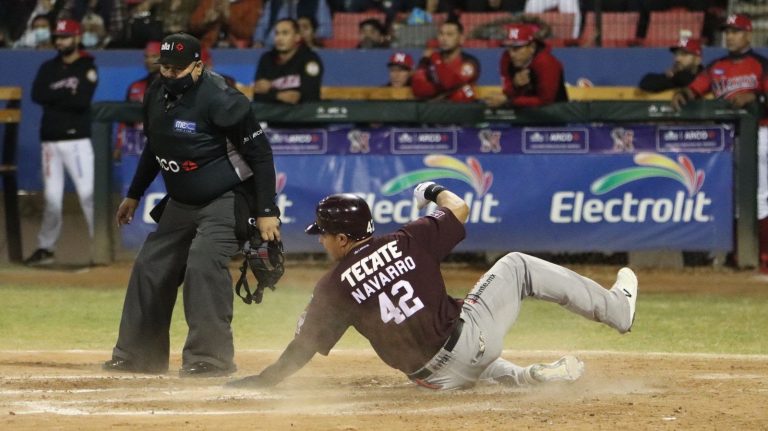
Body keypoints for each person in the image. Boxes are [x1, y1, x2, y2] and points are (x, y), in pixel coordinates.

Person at [227, 184, 638, 390]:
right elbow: (458, 207)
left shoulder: (332, 286)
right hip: (469, 344)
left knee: (472, 355)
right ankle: (614, 311)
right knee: (517, 265)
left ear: (341, 238)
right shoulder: (406, 240)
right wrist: (430, 190)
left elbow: (301, 350)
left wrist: (263, 381)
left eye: (324, 234)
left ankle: (530, 377)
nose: (320, 240)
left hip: (431, 379)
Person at [102, 33, 281, 377]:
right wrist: (134, 193)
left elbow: (260, 154)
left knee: (202, 262)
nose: (169, 74)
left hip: (227, 198)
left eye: (178, 69)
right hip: (181, 201)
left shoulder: (224, 99)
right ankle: (138, 356)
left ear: (198, 66)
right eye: (165, 67)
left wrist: (266, 211)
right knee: (150, 266)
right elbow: (155, 146)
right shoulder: (155, 92)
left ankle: (210, 359)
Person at [671, 14, 768, 269]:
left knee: (762, 196)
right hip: (729, 138)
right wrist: (684, 93)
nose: (731, 36)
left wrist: (755, 96)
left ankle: (764, 256)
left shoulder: (760, 64)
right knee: (734, 197)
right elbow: (695, 88)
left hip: (761, 135)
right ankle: (739, 257)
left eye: (736, 31)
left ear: (748, 34)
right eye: (728, 31)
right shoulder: (717, 66)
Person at [24, 19, 98, 266]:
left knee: (88, 195)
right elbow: (37, 95)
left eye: (65, 36)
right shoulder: (48, 67)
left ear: (77, 38)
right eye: (58, 37)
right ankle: (46, 248)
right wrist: (66, 94)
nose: (60, 41)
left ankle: (100, 247)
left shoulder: (87, 66)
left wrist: (55, 97)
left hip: (77, 141)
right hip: (50, 141)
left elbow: (81, 101)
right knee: (53, 199)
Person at [484, 23, 567, 109]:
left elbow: (546, 101)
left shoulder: (546, 62)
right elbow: (508, 92)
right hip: (519, 116)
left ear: (532, 47)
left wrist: (509, 101)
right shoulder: (506, 58)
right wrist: (515, 85)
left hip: (552, 117)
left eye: (517, 48)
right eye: (509, 48)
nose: (512, 54)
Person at [253, 18, 323, 105]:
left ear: (297, 37)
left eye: (285, 33)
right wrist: (280, 95)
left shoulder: (310, 59)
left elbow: (308, 95)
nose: (279, 38)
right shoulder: (267, 59)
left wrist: (271, 89)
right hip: (271, 114)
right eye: (277, 34)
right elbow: (258, 95)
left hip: (304, 116)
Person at [411, 20, 480, 102]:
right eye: (441, 34)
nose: (444, 38)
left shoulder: (469, 62)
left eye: (449, 34)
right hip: (435, 110)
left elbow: (449, 83)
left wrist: (436, 59)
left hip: (461, 110)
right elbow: (418, 90)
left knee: (463, 92)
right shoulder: (429, 61)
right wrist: (424, 62)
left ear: (461, 39)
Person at [252, 0, 332, 48]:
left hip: (304, 50)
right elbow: (262, 26)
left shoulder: (317, 2)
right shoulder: (273, 2)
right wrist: (258, 41)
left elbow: (325, 30)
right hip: (272, 49)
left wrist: (308, 35)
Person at [638, 38, 703, 93]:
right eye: (676, 54)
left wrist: (673, 77)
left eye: (684, 54)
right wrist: (672, 77)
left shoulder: (707, 77)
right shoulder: (673, 76)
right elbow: (645, 82)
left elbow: (689, 80)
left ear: (697, 60)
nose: (677, 59)